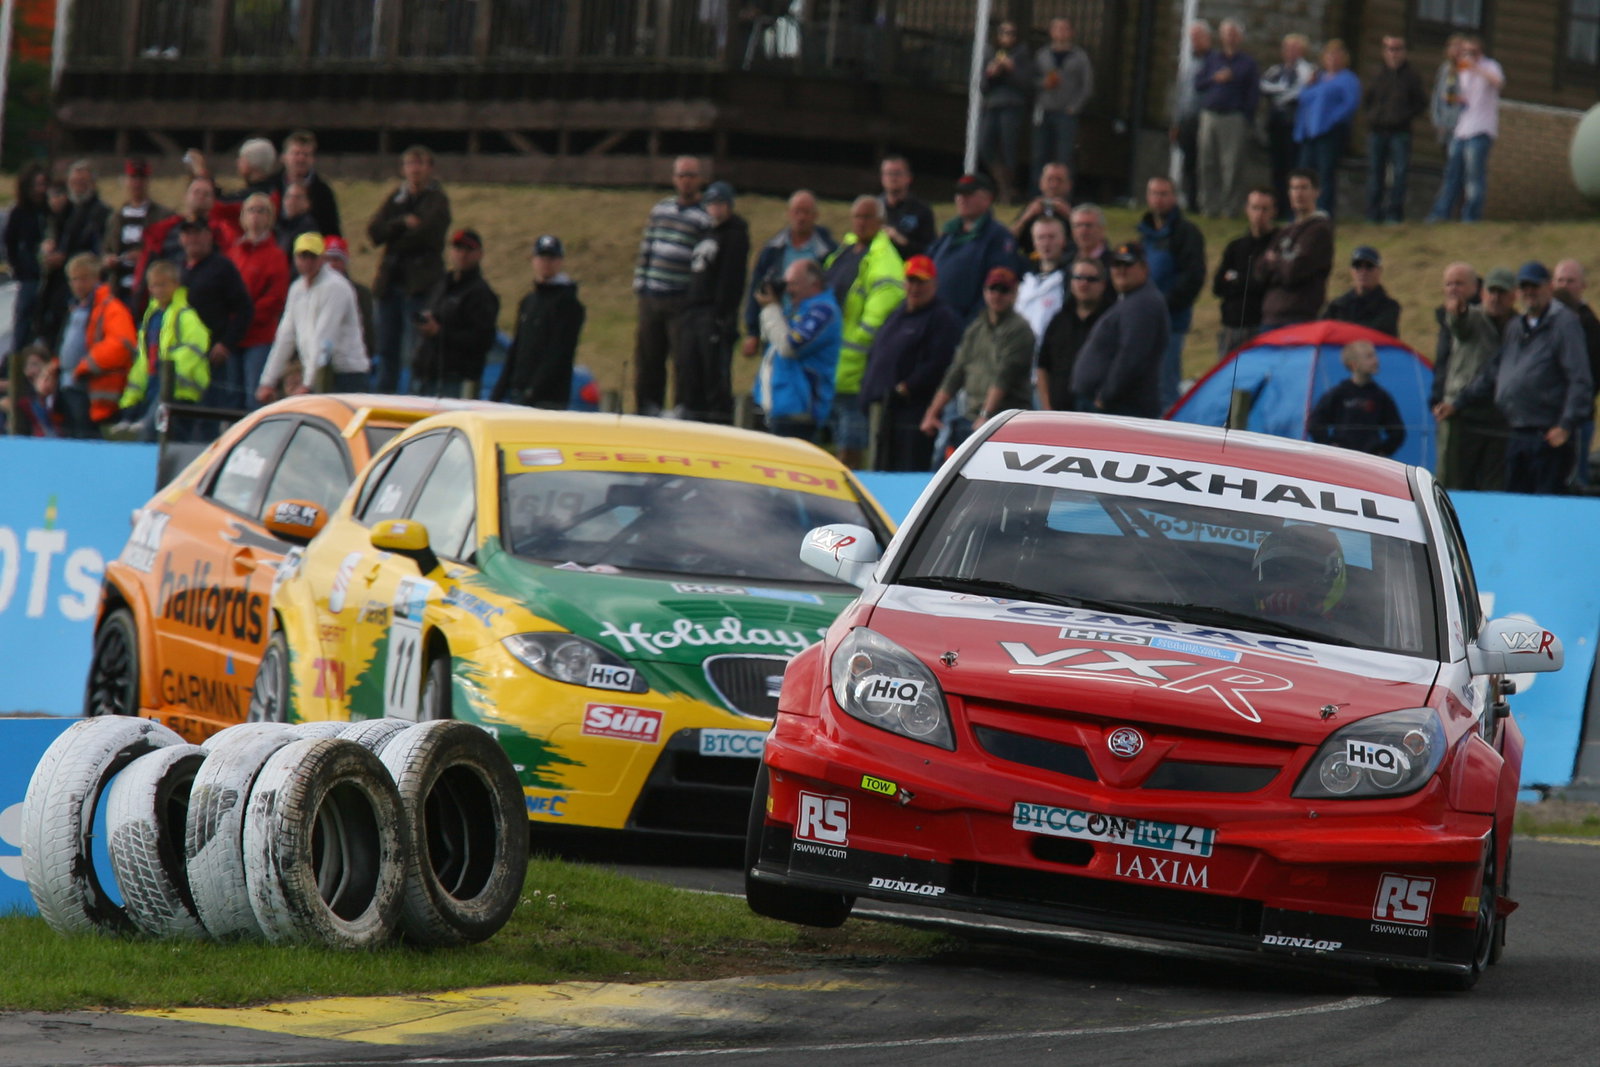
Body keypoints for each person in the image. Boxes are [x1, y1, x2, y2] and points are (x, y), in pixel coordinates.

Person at [1448, 262, 1592, 494]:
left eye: (1534, 286)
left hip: (1549, 434)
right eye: (1524, 286)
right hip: (1516, 431)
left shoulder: (1565, 323)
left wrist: (1565, 425)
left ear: (1547, 287)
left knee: (1547, 503)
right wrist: (1457, 403)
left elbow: (1580, 378)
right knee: (1516, 499)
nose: (1529, 292)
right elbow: (1493, 371)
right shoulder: (1516, 325)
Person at [859, 255, 961, 471]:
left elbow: (939, 362)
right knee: (879, 468)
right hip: (883, 412)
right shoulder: (897, 314)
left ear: (934, 283)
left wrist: (906, 387)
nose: (915, 287)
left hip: (912, 414)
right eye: (911, 280)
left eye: (921, 281)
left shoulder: (942, 317)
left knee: (907, 469)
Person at [824, 196, 905, 468]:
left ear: (880, 222)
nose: (859, 222)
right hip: (833, 361)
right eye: (856, 216)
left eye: (866, 217)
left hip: (856, 366)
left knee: (851, 442)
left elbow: (879, 312)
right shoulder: (847, 249)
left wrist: (857, 341)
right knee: (834, 440)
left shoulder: (884, 259)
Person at [367, 145, 452, 393]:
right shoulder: (397, 197)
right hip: (390, 283)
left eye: (419, 164)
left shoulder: (438, 199)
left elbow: (427, 235)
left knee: (415, 351)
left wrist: (394, 235)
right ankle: (383, 400)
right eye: (409, 164)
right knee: (386, 349)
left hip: (419, 285)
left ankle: (413, 399)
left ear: (429, 168)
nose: (414, 170)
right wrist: (402, 222)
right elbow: (374, 231)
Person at [920, 266, 1034, 451]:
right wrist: (932, 413)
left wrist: (985, 415)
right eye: (993, 289)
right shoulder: (976, 328)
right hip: (971, 417)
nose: (997, 295)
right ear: (984, 291)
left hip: (1007, 421)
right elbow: (956, 372)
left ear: (1014, 294)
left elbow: (1004, 376)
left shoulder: (1020, 330)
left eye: (1004, 290)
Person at [634, 156, 711, 415]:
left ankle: (681, 409)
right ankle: (646, 407)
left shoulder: (704, 217)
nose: (686, 180)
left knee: (683, 358)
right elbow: (647, 247)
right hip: (652, 294)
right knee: (648, 356)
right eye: (681, 175)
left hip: (681, 298)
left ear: (699, 179)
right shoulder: (661, 210)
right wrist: (641, 285)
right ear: (674, 179)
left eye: (690, 175)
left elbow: (702, 259)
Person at [257, 233, 371, 401]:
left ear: (322, 259)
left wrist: (308, 384)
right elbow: (285, 337)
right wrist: (268, 381)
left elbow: (325, 337)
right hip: (319, 372)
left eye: (312, 257)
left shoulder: (335, 287)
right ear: (295, 258)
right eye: (303, 256)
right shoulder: (297, 289)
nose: (307, 262)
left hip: (346, 373)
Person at [1431, 263, 1512, 491]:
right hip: (1461, 413)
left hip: (1498, 416)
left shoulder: (1516, 326)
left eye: (1502, 293)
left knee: (1494, 486)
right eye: (1492, 292)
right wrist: (1457, 312)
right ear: (1483, 293)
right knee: (1453, 485)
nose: (1496, 298)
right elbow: (1460, 325)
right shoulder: (1473, 317)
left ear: (1513, 295)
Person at [671, 181, 748, 422]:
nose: (716, 210)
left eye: (720, 204)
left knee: (713, 374)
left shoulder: (735, 236)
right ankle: (688, 417)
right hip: (693, 310)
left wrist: (721, 315)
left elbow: (731, 279)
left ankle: (716, 422)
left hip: (713, 313)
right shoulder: (706, 233)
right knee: (688, 370)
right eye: (712, 204)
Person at [1071, 242, 1170, 418]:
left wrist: (1105, 396)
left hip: (1122, 408)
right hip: (1115, 407)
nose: (1121, 270)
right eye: (1116, 265)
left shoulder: (1143, 304)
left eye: (1128, 264)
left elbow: (1132, 356)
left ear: (1144, 268)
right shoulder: (1132, 300)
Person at [117, 260, 211, 441]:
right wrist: (131, 397)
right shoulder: (150, 317)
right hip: (153, 389)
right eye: (153, 285)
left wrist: (170, 372)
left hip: (178, 392)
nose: (158, 290)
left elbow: (195, 347)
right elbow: (143, 358)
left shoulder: (186, 315)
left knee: (156, 437)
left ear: (176, 285)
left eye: (163, 284)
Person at [751, 258, 841, 441]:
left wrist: (771, 308)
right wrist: (772, 308)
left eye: (793, 284)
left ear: (814, 284)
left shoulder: (823, 311)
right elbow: (768, 338)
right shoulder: (797, 309)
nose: (788, 290)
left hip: (799, 410)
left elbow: (788, 347)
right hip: (778, 406)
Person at [494, 235, 587, 411]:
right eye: (541, 257)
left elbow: (559, 353)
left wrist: (532, 391)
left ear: (560, 262)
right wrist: (499, 393)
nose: (546, 263)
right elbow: (517, 348)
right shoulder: (528, 302)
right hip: (518, 394)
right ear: (533, 260)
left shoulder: (568, 304)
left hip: (548, 399)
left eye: (551, 258)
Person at [1136, 176, 1206, 410]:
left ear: (1174, 197)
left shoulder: (1186, 233)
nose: (1158, 199)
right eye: (1154, 193)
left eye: (1164, 193)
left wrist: (1162, 305)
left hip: (1171, 322)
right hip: (1141, 321)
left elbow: (1193, 278)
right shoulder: (1143, 234)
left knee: (1166, 385)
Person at [410, 228, 500, 399]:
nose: (462, 254)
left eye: (468, 249)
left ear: (479, 254)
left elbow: (483, 340)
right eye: (458, 248)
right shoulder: (442, 284)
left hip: (455, 380)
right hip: (426, 374)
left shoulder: (481, 293)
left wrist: (440, 332)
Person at [177, 214, 254, 411]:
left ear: (209, 236)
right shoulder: (177, 269)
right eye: (188, 234)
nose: (193, 239)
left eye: (198, 233)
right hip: (181, 359)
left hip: (211, 358)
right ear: (181, 239)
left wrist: (226, 344)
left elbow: (244, 309)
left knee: (207, 415)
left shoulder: (222, 267)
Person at [56, 253, 136, 439]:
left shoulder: (111, 307)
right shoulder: (75, 307)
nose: (78, 284)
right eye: (74, 279)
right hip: (68, 385)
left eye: (83, 278)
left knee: (87, 438)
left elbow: (122, 345)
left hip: (90, 389)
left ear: (96, 277)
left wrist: (86, 365)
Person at [745, 189, 836, 353]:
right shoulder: (772, 250)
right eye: (797, 212)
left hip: (811, 327)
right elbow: (756, 287)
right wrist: (753, 332)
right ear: (789, 214)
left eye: (806, 212)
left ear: (816, 215)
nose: (801, 217)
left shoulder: (828, 252)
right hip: (777, 321)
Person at [1426, 36, 1504, 224]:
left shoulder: (1490, 65)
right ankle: (1441, 214)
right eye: (1465, 52)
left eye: (1472, 52)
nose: (1467, 55)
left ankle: (1471, 217)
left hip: (1481, 130)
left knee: (1474, 178)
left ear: (1480, 52)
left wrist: (1476, 68)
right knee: (1452, 175)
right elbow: (1457, 96)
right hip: (1461, 129)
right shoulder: (1462, 70)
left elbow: (1499, 82)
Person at [226, 193, 290, 409]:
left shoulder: (276, 256)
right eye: (250, 210)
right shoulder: (234, 252)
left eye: (261, 210)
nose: (255, 216)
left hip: (259, 337)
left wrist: (245, 316)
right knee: (231, 396)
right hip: (233, 337)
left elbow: (275, 298)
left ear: (270, 218)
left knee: (255, 397)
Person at [928, 173, 1020, 322]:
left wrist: (971, 329)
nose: (962, 199)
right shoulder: (949, 233)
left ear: (988, 198)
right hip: (932, 320)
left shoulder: (998, 237)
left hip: (961, 325)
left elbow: (997, 288)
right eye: (959, 194)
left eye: (969, 194)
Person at [1193, 18, 1258, 218]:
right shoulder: (1213, 60)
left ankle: (1230, 208)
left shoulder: (1248, 63)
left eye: (1233, 33)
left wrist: (1246, 117)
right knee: (1207, 162)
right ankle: (1208, 206)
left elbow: (1253, 93)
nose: (1229, 37)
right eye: (1226, 33)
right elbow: (1198, 83)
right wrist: (1215, 78)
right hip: (1210, 116)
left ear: (1239, 37)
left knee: (1232, 165)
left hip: (1233, 117)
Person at [1256, 169, 1333, 330]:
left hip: (1299, 317)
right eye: (1294, 188)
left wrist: (1275, 262)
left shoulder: (1319, 230)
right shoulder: (1284, 231)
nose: (1298, 194)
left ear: (1316, 192)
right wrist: (1282, 264)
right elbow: (1260, 272)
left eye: (1304, 188)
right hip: (1270, 317)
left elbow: (1295, 271)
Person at [1364, 36, 1428, 224]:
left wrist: (1403, 116)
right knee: (1375, 174)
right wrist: (1373, 117)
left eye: (1397, 49)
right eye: (1390, 49)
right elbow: (1367, 100)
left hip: (1400, 133)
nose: (1393, 53)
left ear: (1404, 51)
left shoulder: (1412, 76)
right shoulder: (1377, 73)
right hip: (1377, 131)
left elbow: (1421, 103)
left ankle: (1394, 214)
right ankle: (1373, 215)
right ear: (1384, 51)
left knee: (1399, 175)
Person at [1037, 255, 1113, 411]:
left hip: (1098, 414)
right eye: (1078, 277)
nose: (1083, 283)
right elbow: (1042, 365)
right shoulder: (1058, 320)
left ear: (1103, 284)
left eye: (1091, 279)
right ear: (1071, 282)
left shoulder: (1112, 321)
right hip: (1058, 413)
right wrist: (1046, 406)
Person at [1295, 40, 1361, 218]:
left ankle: (1323, 213)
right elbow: (1303, 99)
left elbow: (1350, 104)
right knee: (1305, 174)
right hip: (1309, 133)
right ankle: (1302, 212)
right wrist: (1308, 84)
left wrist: (1331, 120)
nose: (1332, 58)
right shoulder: (1318, 77)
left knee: (1324, 174)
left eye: (1336, 54)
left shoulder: (1348, 79)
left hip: (1330, 133)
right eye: (1329, 54)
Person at [1307, 340, 1406, 456]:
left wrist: (1383, 450)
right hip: (1342, 457)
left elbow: (1398, 431)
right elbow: (1314, 423)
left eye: (1375, 355)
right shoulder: (1338, 394)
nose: (1376, 361)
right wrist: (1328, 445)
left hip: (1370, 458)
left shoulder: (1380, 396)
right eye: (1369, 357)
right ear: (1353, 364)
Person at [1552, 259, 1600, 488]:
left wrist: (1572, 410)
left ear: (1583, 285)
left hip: (1577, 421)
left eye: (1570, 281)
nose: (1564, 285)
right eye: (1560, 280)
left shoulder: (1590, 325)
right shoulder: (1547, 320)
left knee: (1574, 482)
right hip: (1548, 419)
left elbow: (1591, 379)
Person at [1213, 187, 1277, 358]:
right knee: (1228, 379)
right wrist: (1249, 280)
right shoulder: (1235, 247)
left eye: (1265, 209)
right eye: (1255, 208)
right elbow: (1218, 286)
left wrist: (1236, 279)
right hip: (1232, 325)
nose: (1259, 214)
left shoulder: (1278, 243)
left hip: (1263, 324)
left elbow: (1269, 283)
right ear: (1247, 210)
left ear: (1273, 212)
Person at [1259, 34, 1315, 221]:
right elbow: (1264, 85)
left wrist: (1281, 93)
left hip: (1293, 125)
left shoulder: (1306, 69)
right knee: (1277, 167)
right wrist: (1283, 91)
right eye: (1287, 48)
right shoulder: (1277, 70)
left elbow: (1299, 92)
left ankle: (1290, 209)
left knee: (1292, 167)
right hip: (1276, 124)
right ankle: (1276, 207)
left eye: (1294, 48)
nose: (1290, 52)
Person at [1032, 18, 1094, 186]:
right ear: (1051, 32)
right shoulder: (1042, 55)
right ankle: (1037, 193)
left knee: (1064, 155)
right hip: (1044, 110)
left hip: (1066, 113)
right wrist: (1042, 83)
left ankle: (1064, 194)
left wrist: (1075, 107)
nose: (1061, 32)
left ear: (1071, 32)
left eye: (1065, 28)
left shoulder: (1080, 56)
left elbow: (1087, 85)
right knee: (1040, 154)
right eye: (1057, 28)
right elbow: (1032, 79)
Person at [102, 158, 169, 307]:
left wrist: (145, 257)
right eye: (133, 178)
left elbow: (167, 251)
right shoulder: (115, 217)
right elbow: (105, 250)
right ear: (126, 181)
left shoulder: (162, 216)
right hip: (118, 291)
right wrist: (109, 260)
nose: (137, 183)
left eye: (142, 178)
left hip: (148, 291)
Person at [978, 20, 1032, 205]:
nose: (1007, 36)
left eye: (1011, 33)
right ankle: (1002, 184)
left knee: (1008, 147)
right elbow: (983, 86)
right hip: (992, 104)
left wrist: (1011, 69)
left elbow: (1026, 84)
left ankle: (1008, 192)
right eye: (1003, 32)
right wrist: (990, 74)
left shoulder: (1022, 54)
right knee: (985, 145)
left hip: (1012, 105)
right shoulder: (989, 52)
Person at [1252, 525, 1347, 621]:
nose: (1285, 585)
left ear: (1328, 585)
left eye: (1299, 574)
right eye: (1274, 573)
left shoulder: (1346, 632)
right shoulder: (1240, 616)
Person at [3, 164, 50, 351]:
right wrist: (18, 267)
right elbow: (10, 242)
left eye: (43, 185)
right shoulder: (19, 212)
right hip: (28, 275)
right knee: (23, 319)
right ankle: (16, 359)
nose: (40, 190)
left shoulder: (49, 211)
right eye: (36, 185)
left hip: (49, 276)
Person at [1170, 21, 1213, 214]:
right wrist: (1176, 122)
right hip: (1186, 119)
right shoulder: (1189, 64)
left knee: (1203, 162)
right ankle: (1190, 199)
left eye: (1198, 37)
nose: (1194, 41)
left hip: (1204, 118)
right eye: (1192, 38)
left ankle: (1205, 201)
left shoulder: (1214, 62)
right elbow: (1180, 96)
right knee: (1189, 161)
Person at [1324, 245, 1401, 336]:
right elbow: (1320, 330)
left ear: (1379, 271)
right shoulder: (1338, 306)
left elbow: (1375, 333)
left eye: (1369, 266)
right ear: (1351, 271)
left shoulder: (1389, 307)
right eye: (1357, 266)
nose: (1363, 271)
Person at [1017, 215, 1069, 350]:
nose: (1046, 243)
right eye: (1041, 237)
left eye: (1051, 237)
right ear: (1034, 243)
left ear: (1063, 240)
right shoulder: (1025, 281)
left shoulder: (1069, 281)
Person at [322, 235, 374, 368]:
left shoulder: (361, 294)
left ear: (345, 262)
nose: (332, 265)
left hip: (350, 363)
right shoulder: (309, 292)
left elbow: (367, 333)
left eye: (337, 259)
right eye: (328, 259)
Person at [279, 129, 341, 237]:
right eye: (296, 154)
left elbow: (332, 231)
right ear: (284, 157)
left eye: (306, 155)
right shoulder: (272, 187)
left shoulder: (323, 192)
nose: (301, 159)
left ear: (313, 159)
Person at [878, 155, 937, 260]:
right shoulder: (874, 207)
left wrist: (902, 241)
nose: (893, 178)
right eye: (888, 173)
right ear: (882, 178)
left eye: (897, 173)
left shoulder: (922, 210)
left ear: (909, 178)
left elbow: (930, 250)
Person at [1012, 161, 1072, 260]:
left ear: (1069, 185)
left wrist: (1070, 216)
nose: (1054, 185)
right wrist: (1026, 217)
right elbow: (1008, 240)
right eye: (1050, 180)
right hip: (1033, 262)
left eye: (1059, 180)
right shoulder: (1031, 207)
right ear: (1041, 183)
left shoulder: (1077, 209)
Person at [1430, 34, 1467, 149]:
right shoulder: (1445, 69)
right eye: (1453, 47)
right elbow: (1437, 95)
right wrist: (1436, 119)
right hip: (1445, 122)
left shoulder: (1467, 69)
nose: (1456, 51)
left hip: (1461, 124)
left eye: (1459, 47)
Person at [275, 181, 320, 269]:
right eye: (288, 197)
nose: (292, 201)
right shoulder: (279, 226)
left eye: (298, 198)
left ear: (307, 203)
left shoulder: (308, 229)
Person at [1064, 203, 1112, 270]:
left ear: (1101, 229)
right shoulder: (1065, 262)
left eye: (1088, 225)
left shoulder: (1113, 264)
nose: (1083, 230)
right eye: (1078, 225)